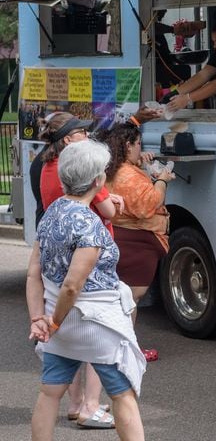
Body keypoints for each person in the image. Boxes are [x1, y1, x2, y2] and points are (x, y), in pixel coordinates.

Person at [26, 139, 146, 441]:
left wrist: (39, 319)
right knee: (123, 394)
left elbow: (33, 274)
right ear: (98, 180)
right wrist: (53, 321)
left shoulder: (51, 213)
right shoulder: (91, 226)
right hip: (96, 322)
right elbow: (73, 285)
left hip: (58, 322)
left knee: (49, 393)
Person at [34, 112, 123, 429]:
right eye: (83, 131)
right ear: (69, 138)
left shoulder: (45, 167)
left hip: (56, 261)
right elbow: (108, 210)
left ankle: (75, 403)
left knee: (67, 341)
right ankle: (90, 405)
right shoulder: (84, 167)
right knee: (95, 340)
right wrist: (109, 199)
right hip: (87, 266)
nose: (87, 136)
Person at [101, 124, 174, 312]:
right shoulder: (129, 176)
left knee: (125, 297)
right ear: (128, 146)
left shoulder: (113, 168)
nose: (141, 148)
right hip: (138, 241)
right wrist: (162, 180)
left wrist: (139, 164)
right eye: (139, 144)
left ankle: (127, 341)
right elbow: (149, 204)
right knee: (131, 298)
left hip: (121, 235)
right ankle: (126, 341)